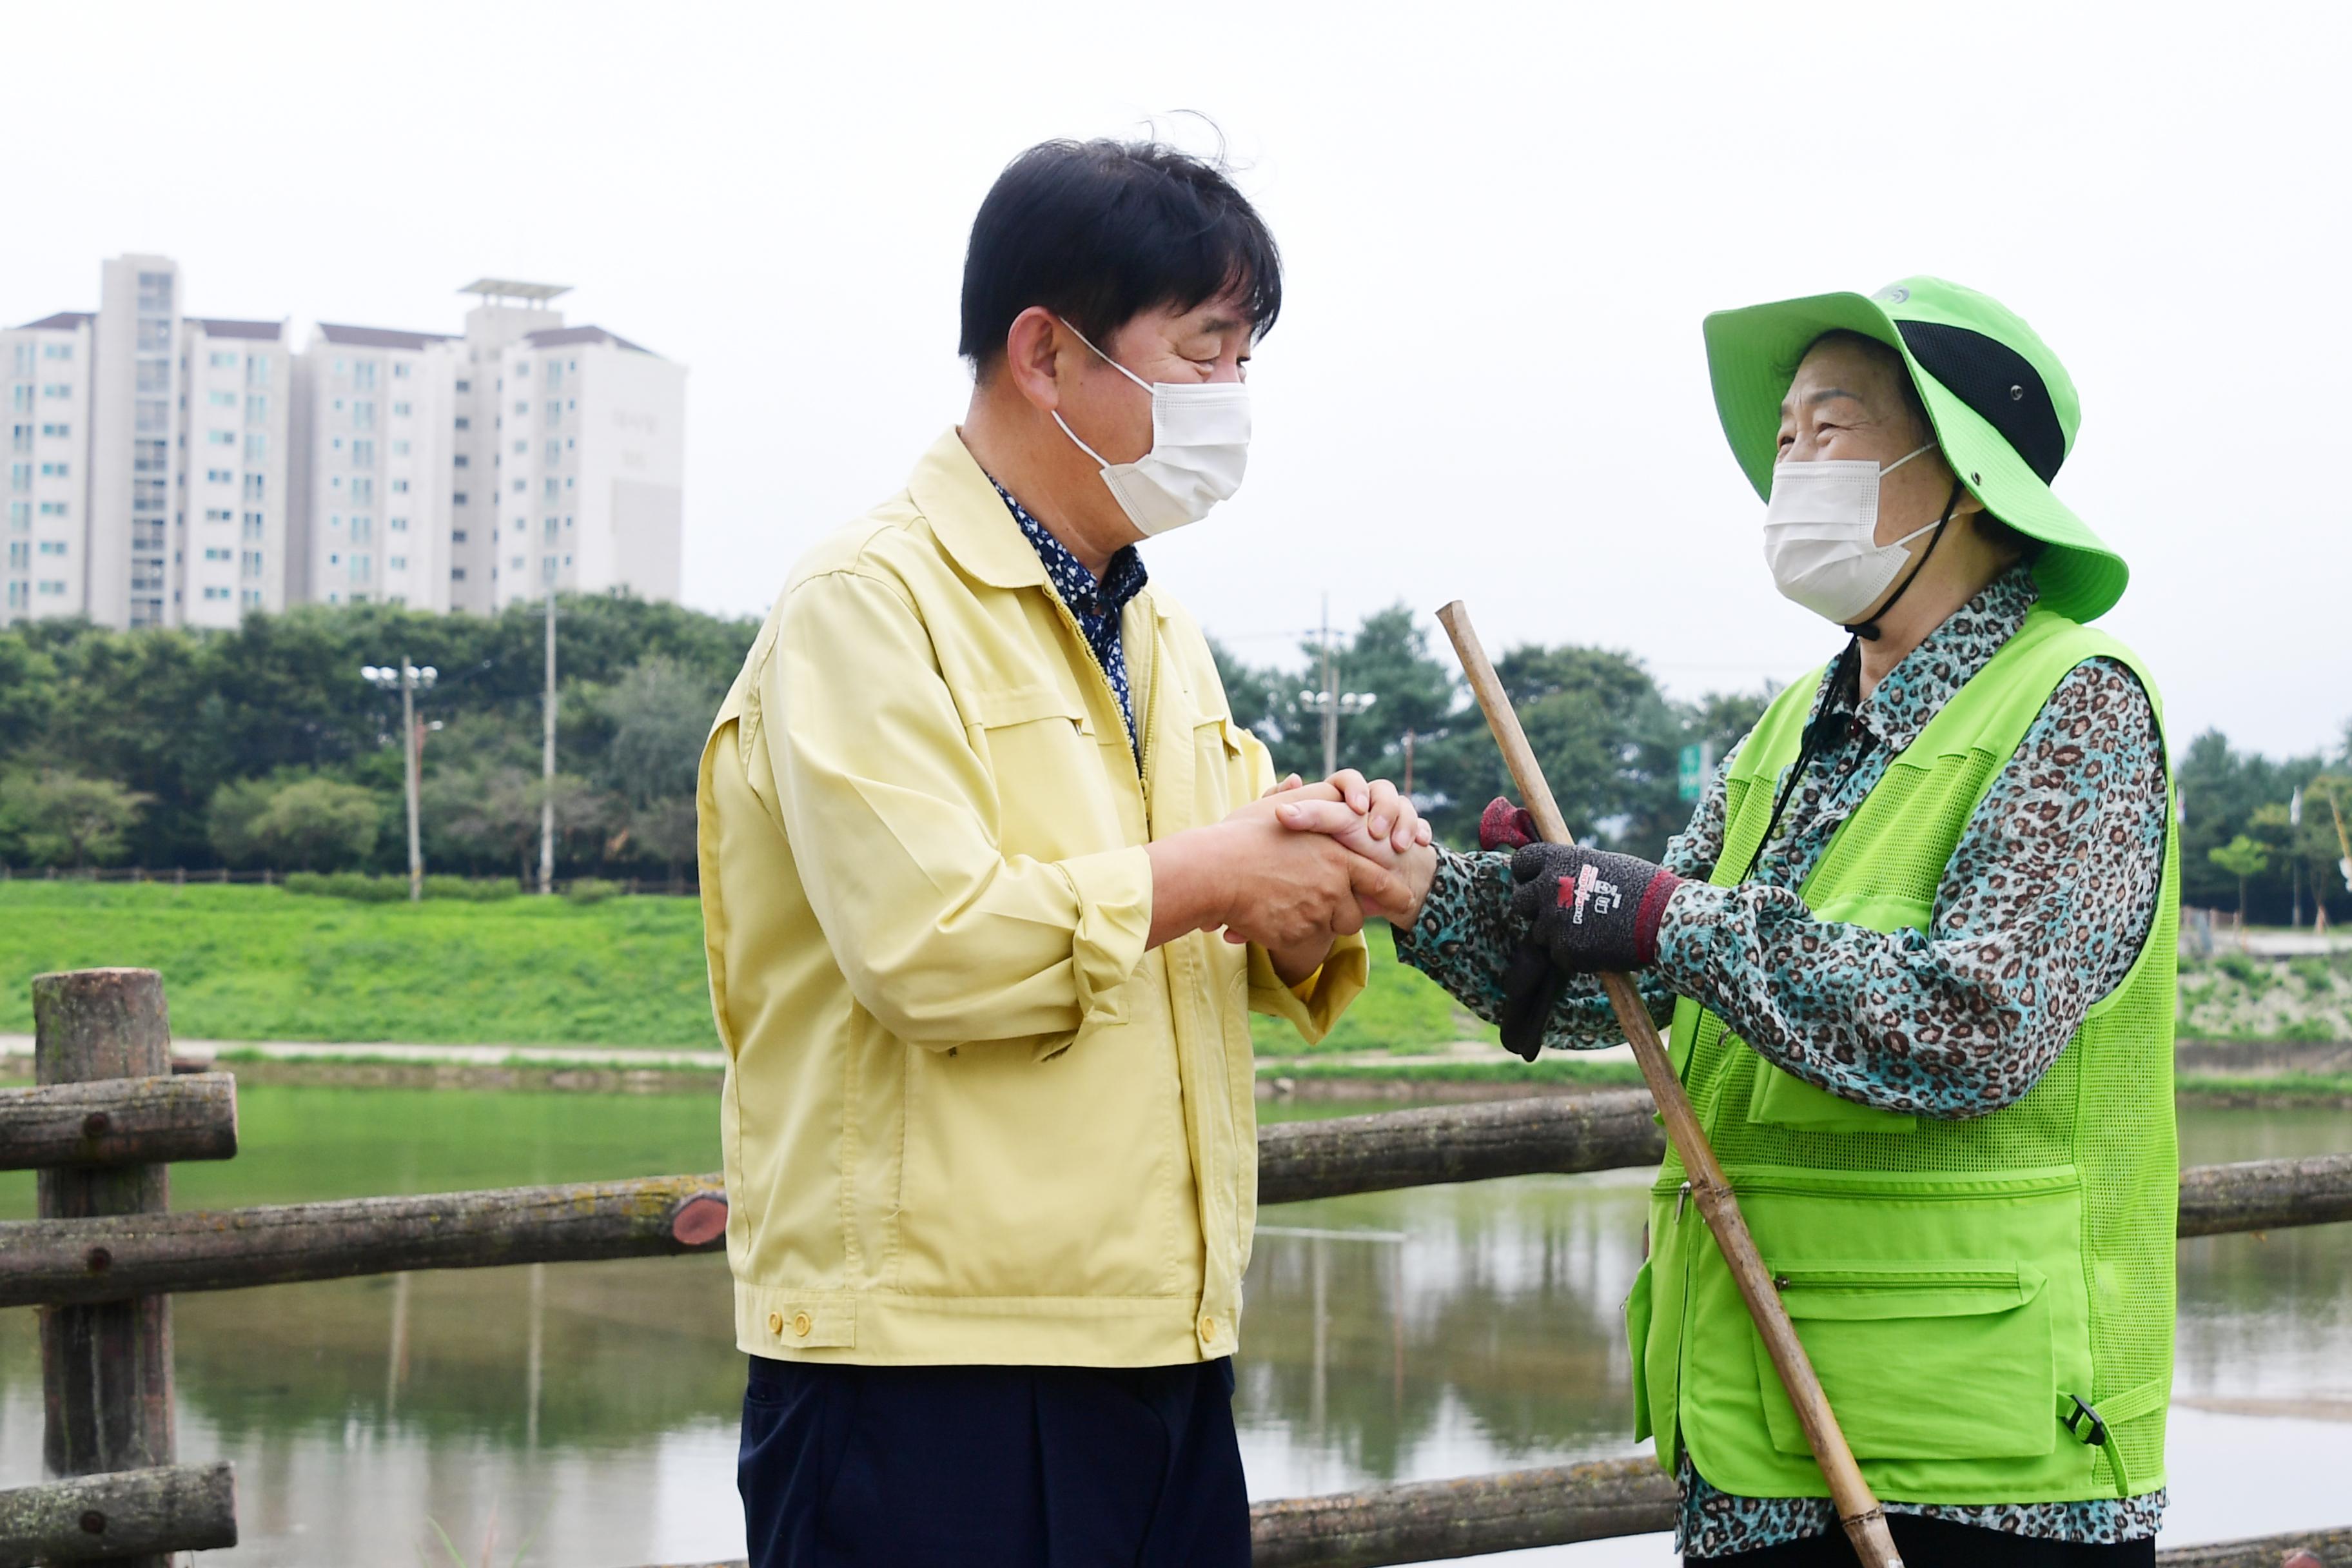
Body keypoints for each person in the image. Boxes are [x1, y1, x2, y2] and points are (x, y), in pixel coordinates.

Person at [696, 137, 1435, 1568]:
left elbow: (1220, 905)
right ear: (1046, 353)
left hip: (1158, 1343)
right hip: (923, 1366)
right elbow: (934, 948)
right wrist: (1227, 869)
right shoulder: (869, 600)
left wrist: (1319, 869)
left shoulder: (1153, 623)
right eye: (1205, 349)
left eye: (1246, 357)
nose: (1233, 397)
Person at [1365, 278, 2177, 1565]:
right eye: (1784, 436)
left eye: (1831, 429)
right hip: (1762, 1431)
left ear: (1964, 474)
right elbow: (1628, 997)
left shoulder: (2074, 707)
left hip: (1982, 1461)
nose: (1790, 463)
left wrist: (1662, 913)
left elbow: (1969, 1026)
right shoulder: (1795, 724)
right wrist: (1424, 889)